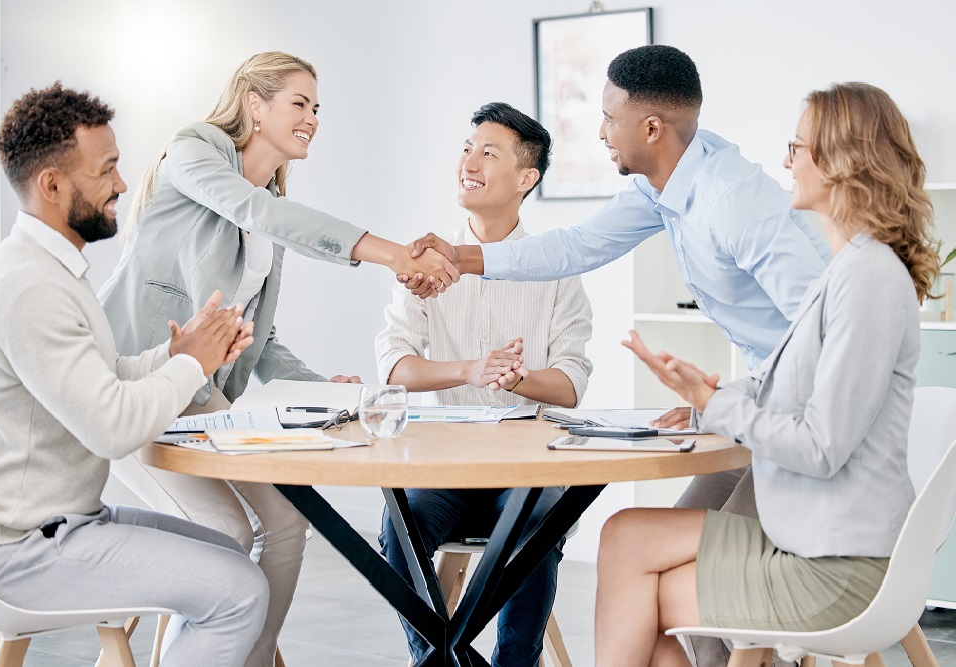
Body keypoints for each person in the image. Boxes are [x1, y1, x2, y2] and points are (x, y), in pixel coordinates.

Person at [404, 46, 832, 665]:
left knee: (694, 573)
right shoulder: (663, 186)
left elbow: (820, 332)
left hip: (803, 428)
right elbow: (579, 247)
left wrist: (733, 402)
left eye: (608, 117)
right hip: (759, 411)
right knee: (659, 560)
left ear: (651, 128)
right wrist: (463, 257)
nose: (600, 131)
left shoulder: (733, 200)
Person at [97, 52, 446, 665]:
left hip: (199, 394)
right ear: (255, 106)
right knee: (227, 535)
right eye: (299, 103)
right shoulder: (195, 151)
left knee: (286, 519)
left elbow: (259, 342)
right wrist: (391, 253)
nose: (312, 117)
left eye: (317, 108)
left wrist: (333, 393)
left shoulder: (267, 213)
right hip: (132, 380)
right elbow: (253, 210)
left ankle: (247, 658)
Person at [595, 82, 937, 667]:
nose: (785, 162)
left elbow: (822, 446)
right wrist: (706, 394)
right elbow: (787, 385)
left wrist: (717, 403)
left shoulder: (868, 280)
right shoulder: (845, 271)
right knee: (624, 534)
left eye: (798, 147)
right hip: (813, 539)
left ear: (843, 162)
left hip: (835, 568)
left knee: (640, 591)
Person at [0, 83, 269, 666]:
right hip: (23, 551)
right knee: (240, 592)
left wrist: (178, 353)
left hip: (63, 522)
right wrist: (188, 364)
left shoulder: (48, 270)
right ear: (52, 185)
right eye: (107, 170)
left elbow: (103, 375)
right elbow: (111, 429)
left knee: (230, 546)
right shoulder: (29, 288)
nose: (123, 185)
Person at [376, 102, 593, 667]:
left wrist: (519, 380)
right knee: (400, 524)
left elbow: (570, 384)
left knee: (538, 526)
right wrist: (470, 370)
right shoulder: (424, 261)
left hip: (525, 471)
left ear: (527, 178)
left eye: (488, 152)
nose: (468, 162)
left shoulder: (558, 270)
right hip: (444, 468)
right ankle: (438, 661)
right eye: (466, 149)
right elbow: (395, 366)